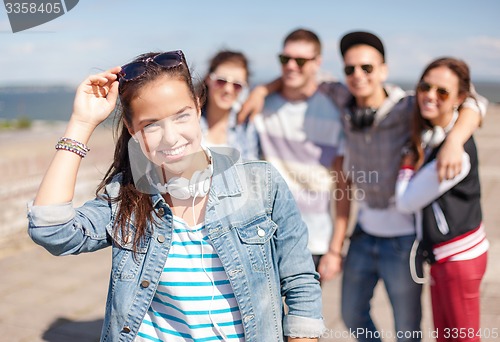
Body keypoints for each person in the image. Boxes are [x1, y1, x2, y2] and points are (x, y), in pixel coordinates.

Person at [27, 50, 325, 341]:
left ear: (198, 107)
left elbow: (299, 281)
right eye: (151, 124)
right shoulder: (127, 197)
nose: (171, 137)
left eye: (181, 116)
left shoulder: (262, 183)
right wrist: (81, 124)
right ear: (132, 129)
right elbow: (52, 231)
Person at [238, 31, 486, 342]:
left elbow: (475, 101)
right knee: (352, 315)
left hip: (403, 240)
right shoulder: (342, 98)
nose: (358, 75)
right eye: (350, 68)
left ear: (384, 70)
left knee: (407, 330)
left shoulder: (408, 107)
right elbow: (299, 77)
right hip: (363, 235)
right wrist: (262, 89)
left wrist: (454, 140)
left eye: (367, 68)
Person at [395, 57, 488, 342]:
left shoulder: (454, 154)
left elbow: (405, 201)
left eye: (443, 92)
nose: (430, 96)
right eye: (425, 86)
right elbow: (477, 102)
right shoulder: (436, 136)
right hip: (444, 256)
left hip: (458, 258)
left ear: (459, 98)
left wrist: (408, 163)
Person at [251, 28, 350, 280]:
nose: (291, 66)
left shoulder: (336, 110)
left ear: (318, 63)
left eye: (301, 61)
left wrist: (335, 250)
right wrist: (261, 90)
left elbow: (343, 185)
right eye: (285, 59)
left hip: (315, 241)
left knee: (305, 320)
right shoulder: (262, 107)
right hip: (267, 237)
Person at [199, 50, 259, 160]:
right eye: (221, 81)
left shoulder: (246, 127)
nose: (228, 89)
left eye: (237, 85)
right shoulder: (190, 120)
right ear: (208, 79)